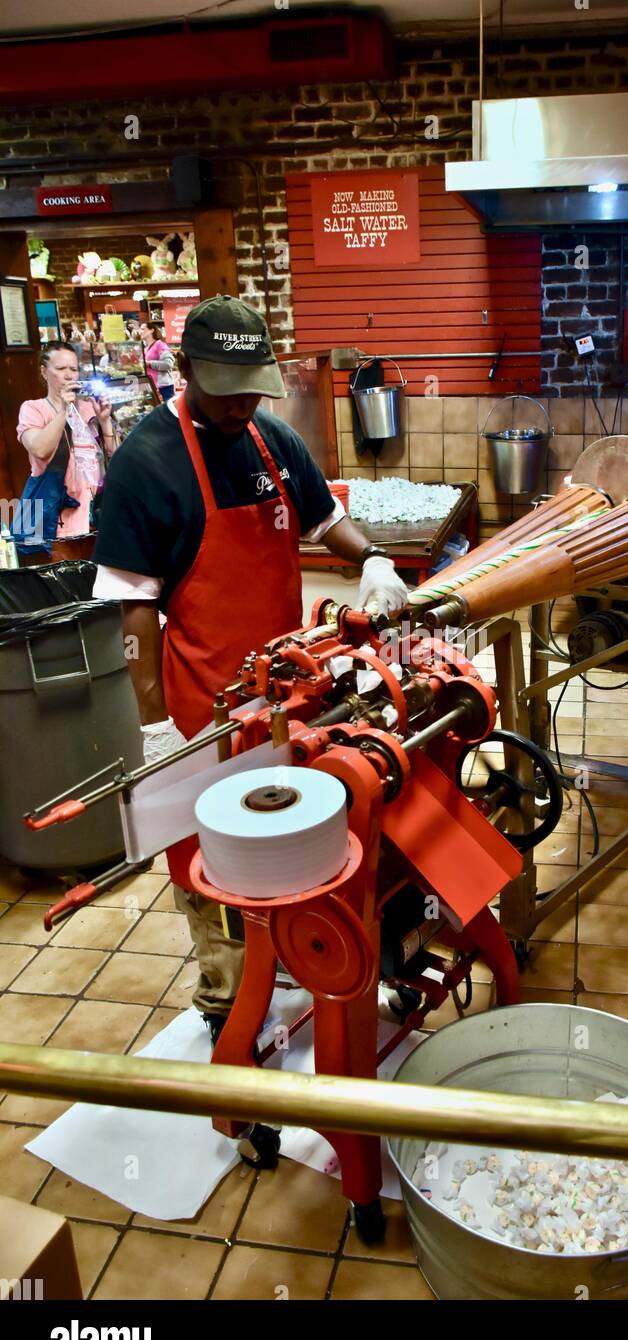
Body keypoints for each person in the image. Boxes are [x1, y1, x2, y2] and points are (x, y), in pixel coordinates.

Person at [92, 294, 408, 1043]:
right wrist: (158, 727)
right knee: (209, 866)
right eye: (225, 387)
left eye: (252, 387)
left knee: (287, 838)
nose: (242, 404)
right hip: (200, 712)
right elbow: (132, 610)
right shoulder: (146, 464)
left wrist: (374, 559)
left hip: (285, 699)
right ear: (184, 369)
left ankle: (292, 961)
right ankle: (226, 1006)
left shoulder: (270, 441)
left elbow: (325, 520)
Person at [17, 342, 116, 542]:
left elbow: (116, 459)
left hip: (96, 515)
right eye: (61, 369)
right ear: (44, 372)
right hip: (55, 520)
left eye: (74, 369)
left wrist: (105, 422)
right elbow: (40, 449)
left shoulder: (90, 407)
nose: (69, 375)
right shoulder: (33, 408)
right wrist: (64, 409)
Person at [139, 320, 175, 401]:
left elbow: (168, 364)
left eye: (143, 329)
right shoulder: (145, 349)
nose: (140, 332)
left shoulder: (160, 344)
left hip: (164, 388)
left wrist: (149, 364)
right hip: (152, 388)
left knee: (167, 412)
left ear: (151, 330)